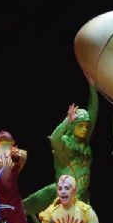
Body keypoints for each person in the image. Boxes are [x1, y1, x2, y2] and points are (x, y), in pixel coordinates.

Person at [22, 76, 99, 215]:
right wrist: (67, 120)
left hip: (82, 199)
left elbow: (93, 112)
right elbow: (54, 139)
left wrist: (93, 87)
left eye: (86, 126)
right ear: (72, 127)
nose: (85, 129)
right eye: (80, 126)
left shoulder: (84, 142)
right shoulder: (65, 144)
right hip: (64, 200)